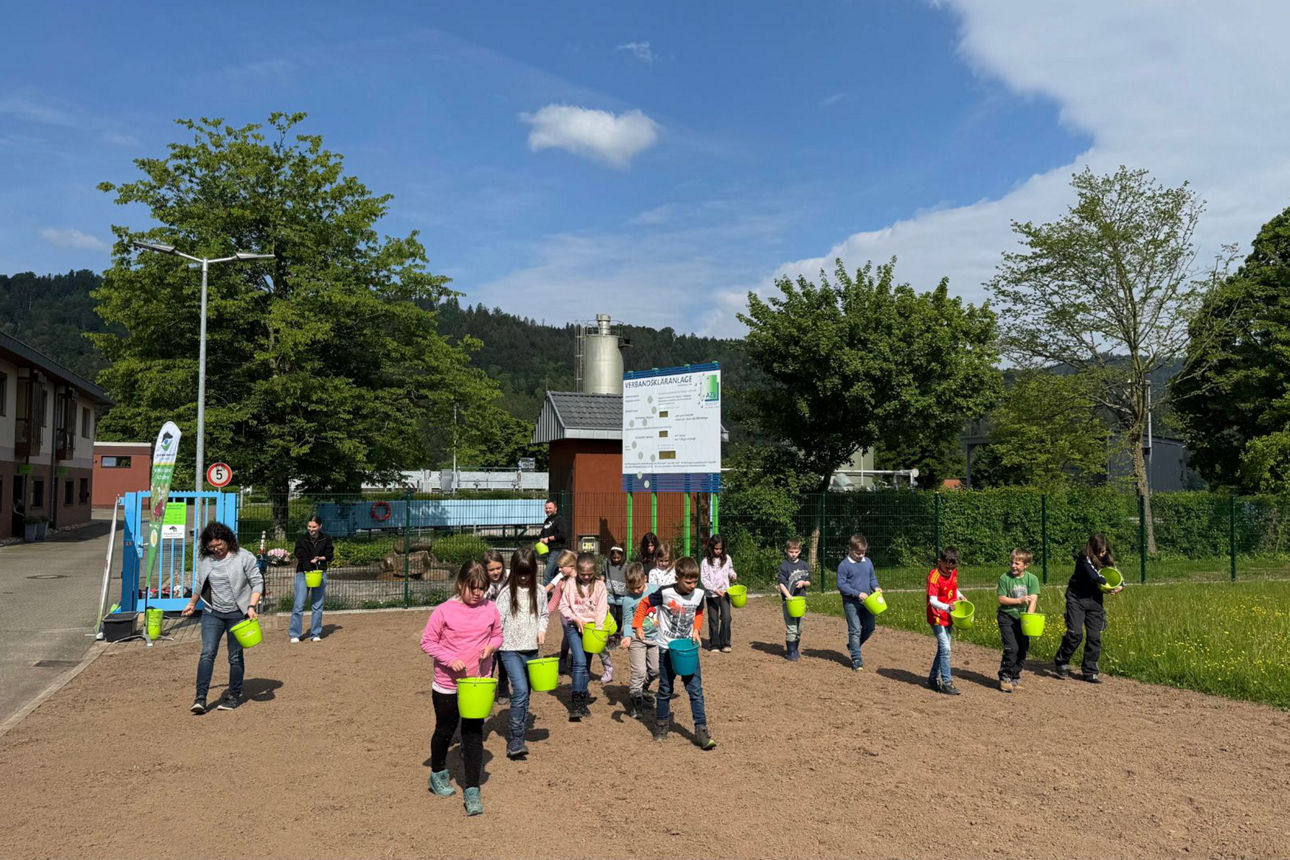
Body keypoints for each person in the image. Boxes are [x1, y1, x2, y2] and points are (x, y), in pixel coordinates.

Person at [420, 560, 502, 816]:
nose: (478, 594)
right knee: (445, 729)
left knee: (473, 732)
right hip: (447, 683)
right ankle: (437, 773)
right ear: (460, 584)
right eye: (473, 588)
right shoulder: (444, 610)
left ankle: (472, 789)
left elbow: (498, 634)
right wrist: (448, 659)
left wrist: (491, 647)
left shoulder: (491, 608)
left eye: (482, 588)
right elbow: (427, 642)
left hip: (477, 682)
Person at [634, 556, 716, 750]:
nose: (692, 585)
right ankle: (661, 725)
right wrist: (637, 625)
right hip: (666, 649)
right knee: (665, 690)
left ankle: (701, 731)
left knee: (695, 691)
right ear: (677, 577)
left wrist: (696, 629)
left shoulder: (698, 594)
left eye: (695, 581)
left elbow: (698, 612)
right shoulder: (665, 593)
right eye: (688, 582)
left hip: (688, 650)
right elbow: (644, 604)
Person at [182, 521, 263, 714]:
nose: (216, 549)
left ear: (228, 540)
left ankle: (234, 696)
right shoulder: (205, 560)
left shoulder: (244, 557)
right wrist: (192, 603)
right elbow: (200, 583)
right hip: (212, 613)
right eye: (211, 547)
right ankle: (200, 697)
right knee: (207, 653)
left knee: (234, 657)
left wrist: (251, 606)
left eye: (219, 545)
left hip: (237, 614)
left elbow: (257, 583)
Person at [494, 548, 548, 760]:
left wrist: (542, 630)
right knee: (521, 691)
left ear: (534, 571)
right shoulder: (507, 594)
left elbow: (544, 614)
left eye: (528, 573)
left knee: (526, 695)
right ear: (514, 572)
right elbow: (498, 621)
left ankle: (520, 731)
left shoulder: (541, 592)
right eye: (520, 573)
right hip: (510, 649)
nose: (524, 577)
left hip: (531, 649)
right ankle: (515, 740)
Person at [1054, 533, 1123, 683]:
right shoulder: (1084, 558)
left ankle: (1090, 671)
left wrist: (1119, 587)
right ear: (1091, 549)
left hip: (1095, 601)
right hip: (1076, 598)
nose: (1101, 554)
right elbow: (1094, 575)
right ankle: (1062, 659)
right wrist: (1106, 582)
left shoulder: (1106, 558)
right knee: (1075, 634)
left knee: (1094, 636)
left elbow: (1118, 577)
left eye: (1103, 551)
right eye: (1098, 551)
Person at [559, 552, 609, 722]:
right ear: (577, 571)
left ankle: (582, 699)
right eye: (582, 575)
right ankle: (576, 704)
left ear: (594, 571)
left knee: (586, 665)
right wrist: (576, 618)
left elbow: (601, 610)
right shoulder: (571, 584)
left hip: (592, 630)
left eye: (590, 574)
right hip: (575, 627)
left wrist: (599, 631)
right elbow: (563, 607)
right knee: (579, 662)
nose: (586, 578)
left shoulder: (600, 586)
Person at [618, 562, 659, 719]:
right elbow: (628, 620)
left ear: (645, 579)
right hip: (637, 638)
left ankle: (644, 687)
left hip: (655, 637)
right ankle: (636, 702)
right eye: (632, 588)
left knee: (656, 669)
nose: (636, 591)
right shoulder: (628, 600)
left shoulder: (655, 590)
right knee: (639, 671)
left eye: (639, 587)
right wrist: (627, 636)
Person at [997, 548, 1041, 692]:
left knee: (1022, 649)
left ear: (1026, 565)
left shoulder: (1032, 579)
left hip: (1022, 619)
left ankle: (1015, 677)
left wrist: (1028, 619)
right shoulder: (1005, 578)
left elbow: (1033, 599)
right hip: (1006, 617)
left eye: (1017, 563)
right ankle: (1005, 677)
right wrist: (1019, 600)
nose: (1013, 566)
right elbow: (1001, 599)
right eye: (1012, 562)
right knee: (1012, 648)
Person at [836, 534, 880, 671]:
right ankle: (856, 659)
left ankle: (853, 646)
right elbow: (841, 585)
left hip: (868, 602)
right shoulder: (844, 565)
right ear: (850, 549)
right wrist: (857, 593)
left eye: (863, 552)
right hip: (851, 602)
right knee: (855, 630)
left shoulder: (867, 562)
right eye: (858, 553)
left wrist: (876, 587)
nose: (861, 555)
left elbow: (872, 578)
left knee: (870, 627)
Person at [927, 547, 966, 695]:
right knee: (946, 648)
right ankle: (947, 682)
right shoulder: (934, 576)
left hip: (949, 614)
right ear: (940, 562)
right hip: (936, 616)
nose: (950, 571)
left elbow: (952, 588)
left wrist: (960, 595)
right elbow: (933, 601)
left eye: (953, 568)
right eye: (947, 567)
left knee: (944, 648)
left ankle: (932, 679)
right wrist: (947, 608)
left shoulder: (953, 571)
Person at [290, 514, 334, 643]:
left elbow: (330, 554)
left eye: (314, 527)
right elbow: (299, 554)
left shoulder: (326, 539)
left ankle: (315, 633)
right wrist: (309, 563)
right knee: (299, 604)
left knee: (317, 604)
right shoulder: (301, 539)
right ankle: (295, 634)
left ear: (320, 526)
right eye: (309, 526)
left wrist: (321, 558)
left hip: (319, 573)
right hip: (303, 573)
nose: (311, 529)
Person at [700, 533, 737, 652]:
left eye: (720, 549)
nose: (718, 551)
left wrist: (733, 575)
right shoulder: (705, 562)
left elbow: (730, 569)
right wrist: (714, 589)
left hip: (725, 593)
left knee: (726, 617)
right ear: (711, 548)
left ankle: (725, 642)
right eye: (716, 548)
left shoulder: (727, 558)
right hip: (712, 594)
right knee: (713, 619)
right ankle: (714, 643)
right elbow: (704, 579)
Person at [483, 549, 511, 703]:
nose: (495, 572)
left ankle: (503, 688)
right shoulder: (482, 582)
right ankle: (486, 688)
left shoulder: (509, 577)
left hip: (507, 625)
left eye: (498, 568)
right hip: (488, 627)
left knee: (504, 659)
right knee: (489, 659)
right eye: (491, 570)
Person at [545, 549, 578, 675]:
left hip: (581, 615)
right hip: (566, 617)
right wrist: (545, 614)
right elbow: (554, 601)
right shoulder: (561, 582)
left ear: (572, 566)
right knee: (569, 637)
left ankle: (575, 661)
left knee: (578, 639)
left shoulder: (582, 580)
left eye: (562, 567)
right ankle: (563, 658)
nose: (559, 570)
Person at [778, 537, 811, 661]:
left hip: (801, 601)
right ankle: (791, 652)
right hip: (789, 602)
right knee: (792, 627)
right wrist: (789, 596)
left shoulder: (804, 565)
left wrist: (803, 583)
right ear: (786, 550)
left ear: (800, 551)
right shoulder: (784, 566)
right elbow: (781, 584)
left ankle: (795, 649)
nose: (793, 554)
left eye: (796, 552)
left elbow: (809, 582)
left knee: (799, 627)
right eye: (791, 552)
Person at [538, 499, 568, 584]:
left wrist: (549, 538)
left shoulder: (559, 519)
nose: (547, 510)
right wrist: (541, 538)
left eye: (550, 508)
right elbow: (542, 534)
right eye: (546, 508)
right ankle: (555, 594)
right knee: (556, 575)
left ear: (555, 509)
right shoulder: (547, 521)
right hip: (549, 550)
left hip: (557, 550)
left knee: (547, 574)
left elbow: (563, 535)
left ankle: (545, 595)